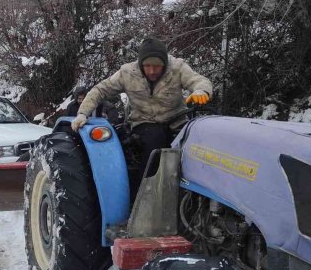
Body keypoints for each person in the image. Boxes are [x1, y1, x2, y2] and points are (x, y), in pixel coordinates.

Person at [71, 37, 212, 192]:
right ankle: (146, 192)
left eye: (156, 66)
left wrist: (201, 90)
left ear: (165, 63)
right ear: (140, 64)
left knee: (201, 140)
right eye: (147, 66)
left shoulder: (178, 68)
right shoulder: (127, 73)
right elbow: (100, 89)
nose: (151, 71)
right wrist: (82, 113)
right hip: (143, 123)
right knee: (155, 138)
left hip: (177, 122)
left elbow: (198, 80)